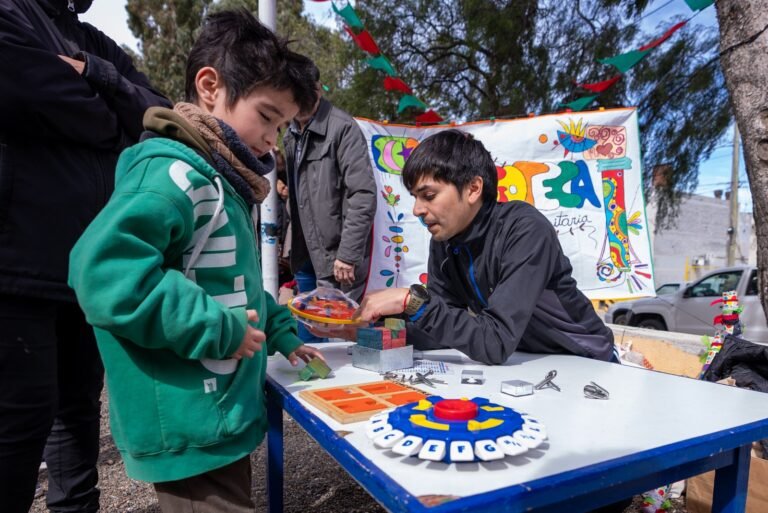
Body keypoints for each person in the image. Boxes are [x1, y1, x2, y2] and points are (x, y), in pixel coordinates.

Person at [68, 10, 323, 513]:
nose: (273, 140)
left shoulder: (223, 180)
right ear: (211, 86)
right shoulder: (173, 173)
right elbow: (103, 272)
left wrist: (283, 336)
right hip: (188, 422)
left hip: (219, 413)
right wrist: (219, 328)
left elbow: (238, 287)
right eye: (268, 117)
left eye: (283, 127)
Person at [0, 0, 171, 510]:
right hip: (15, 264)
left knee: (78, 419)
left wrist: (94, 75)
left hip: (86, 270)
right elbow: (26, 92)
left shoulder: (93, 41)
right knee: (17, 426)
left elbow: (156, 114)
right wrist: (111, 119)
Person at [353, 129, 616, 366]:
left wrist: (411, 300)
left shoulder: (524, 230)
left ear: (473, 188)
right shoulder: (444, 243)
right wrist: (371, 328)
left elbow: (495, 341)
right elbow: (442, 327)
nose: (417, 209)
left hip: (583, 360)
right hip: (521, 358)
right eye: (415, 198)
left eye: (429, 196)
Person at [283, 58, 376, 309]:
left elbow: (363, 194)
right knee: (308, 338)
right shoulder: (288, 134)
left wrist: (347, 254)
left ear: (318, 88)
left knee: (336, 338)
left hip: (337, 262)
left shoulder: (343, 129)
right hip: (303, 255)